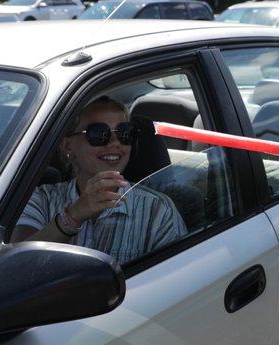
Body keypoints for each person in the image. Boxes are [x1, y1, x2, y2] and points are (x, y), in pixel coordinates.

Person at [12, 96, 187, 262]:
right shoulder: (41, 200)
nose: (114, 143)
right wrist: (74, 216)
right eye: (98, 133)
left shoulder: (158, 210)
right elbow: (15, 264)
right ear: (67, 146)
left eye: (125, 133)